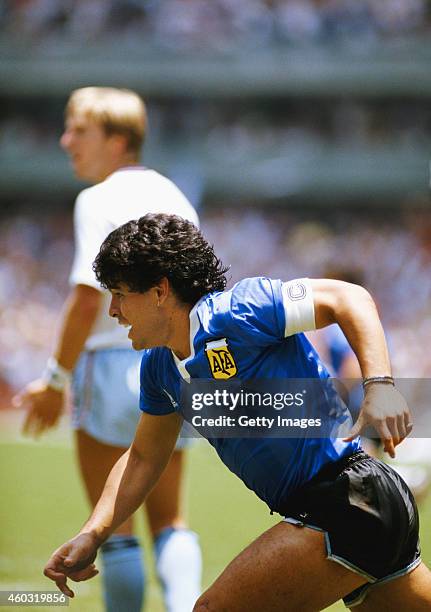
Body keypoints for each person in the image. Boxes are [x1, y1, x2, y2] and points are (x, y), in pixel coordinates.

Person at [44, 214, 431, 610]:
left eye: (121, 294)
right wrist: (93, 533)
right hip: (362, 506)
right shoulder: (159, 368)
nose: (113, 311)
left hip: (348, 499)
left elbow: (350, 298)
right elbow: (143, 457)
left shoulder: (239, 310)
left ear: (159, 291)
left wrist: (380, 386)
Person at [14, 90, 202, 612]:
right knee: (170, 522)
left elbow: (84, 298)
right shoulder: (176, 196)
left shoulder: (95, 199)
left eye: (79, 130)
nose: (66, 140)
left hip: (108, 359)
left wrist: (54, 380)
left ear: (117, 141)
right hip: (173, 361)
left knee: (113, 531)